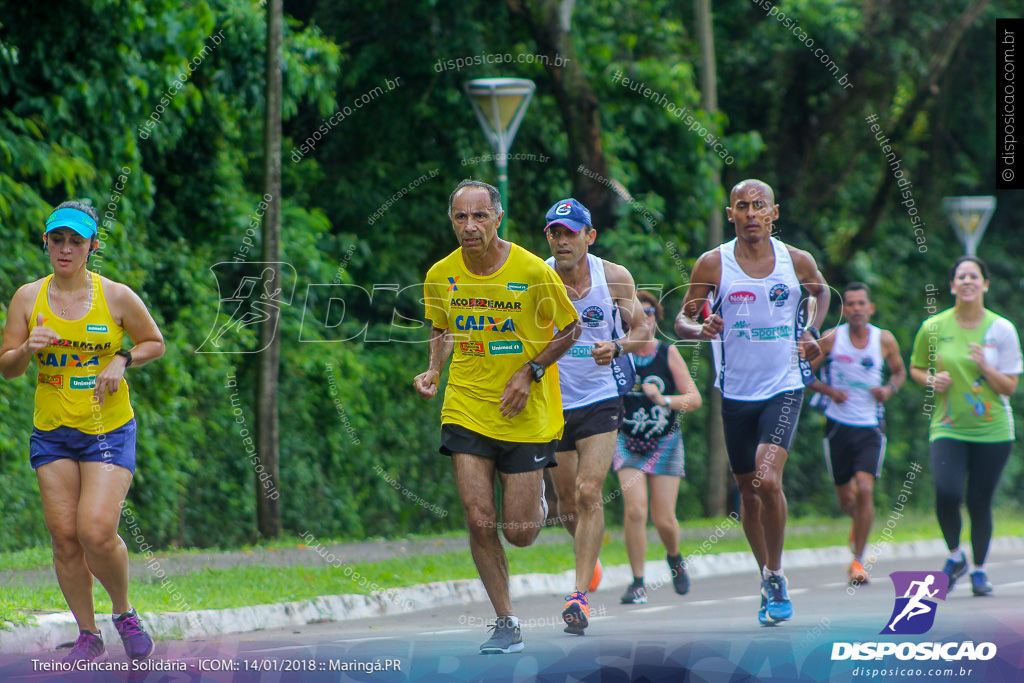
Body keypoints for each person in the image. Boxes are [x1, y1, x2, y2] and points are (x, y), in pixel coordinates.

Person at [414, 180, 580, 653]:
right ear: (452, 221)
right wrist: (431, 371)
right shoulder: (441, 274)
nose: (470, 227)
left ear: (498, 218)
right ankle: (505, 621)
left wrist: (530, 371)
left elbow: (571, 328)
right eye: (461, 218)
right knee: (478, 515)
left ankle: (538, 505)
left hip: (525, 413)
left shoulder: (531, 271)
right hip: (466, 405)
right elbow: (441, 327)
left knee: (520, 532)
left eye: (480, 216)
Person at [0, 201, 165, 662]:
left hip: (106, 430)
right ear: (46, 242)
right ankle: (88, 635)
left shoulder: (116, 296)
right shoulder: (27, 298)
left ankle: (124, 612)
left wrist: (123, 357)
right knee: (64, 536)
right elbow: (7, 368)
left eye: (76, 241)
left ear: (93, 245)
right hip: (52, 431)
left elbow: (155, 341)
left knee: (94, 529)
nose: (66, 249)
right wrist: (25, 349)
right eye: (58, 239)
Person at [674, 179, 829, 625]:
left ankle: (777, 574)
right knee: (747, 491)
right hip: (735, 391)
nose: (751, 213)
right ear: (730, 215)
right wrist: (698, 329)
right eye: (742, 206)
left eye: (759, 206)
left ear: (773, 213)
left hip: (784, 385)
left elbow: (820, 293)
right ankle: (765, 574)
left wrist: (810, 329)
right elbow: (684, 317)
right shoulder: (713, 263)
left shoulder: (795, 260)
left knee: (766, 479)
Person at [541, 198, 652, 635]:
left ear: (590, 236)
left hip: (601, 397)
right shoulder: (539, 276)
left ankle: (579, 594)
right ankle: (590, 561)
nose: (562, 240)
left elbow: (643, 330)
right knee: (567, 502)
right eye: (554, 232)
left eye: (570, 232)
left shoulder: (614, 277)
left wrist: (618, 346)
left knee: (590, 492)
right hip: (552, 402)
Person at [909, 256, 1021, 596]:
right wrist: (931, 379)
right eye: (961, 277)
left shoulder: (1002, 329)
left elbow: (1010, 387)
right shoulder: (934, 328)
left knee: (978, 501)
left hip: (994, 430)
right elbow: (916, 367)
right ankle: (955, 555)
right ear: (952, 285)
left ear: (985, 284)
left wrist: (985, 367)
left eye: (974, 276)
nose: (968, 281)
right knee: (946, 492)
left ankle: (979, 570)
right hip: (947, 426)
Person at [808, 282, 906, 585]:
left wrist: (889, 389)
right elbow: (803, 373)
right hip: (838, 426)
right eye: (850, 304)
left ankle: (858, 561)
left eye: (862, 303)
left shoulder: (884, 339)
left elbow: (900, 372)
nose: (856, 309)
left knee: (865, 489)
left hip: (870, 427)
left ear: (870, 308)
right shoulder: (832, 339)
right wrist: (829, 391)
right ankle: (857, 526)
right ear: (843, 310)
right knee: (847, 500)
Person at [615, 290, 702, 605]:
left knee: (664, 519)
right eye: (639, 311)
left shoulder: (668, 354)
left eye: (650, 311)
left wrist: (663, 399)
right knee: (635, 510)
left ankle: (675, 557)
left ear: (656, 318)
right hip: (627, 441)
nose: (645, 316)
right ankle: (638, 582)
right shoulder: (617, 352)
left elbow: (694, 399)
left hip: (664, 441)